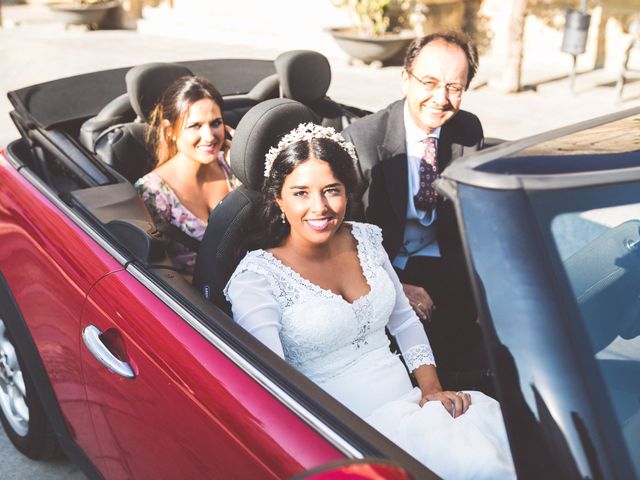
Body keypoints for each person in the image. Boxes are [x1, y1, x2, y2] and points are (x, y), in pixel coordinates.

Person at [224, 123, 515, 479]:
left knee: (498, 446)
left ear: (348, 192)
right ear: (278, 199)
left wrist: (432, 390)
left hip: (413, 409)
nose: (320, 207)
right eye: (301, 193)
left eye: (332, 190)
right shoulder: (257, 277)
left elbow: (405, 321)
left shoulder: (364, 239)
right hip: (341, 438)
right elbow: (270, 380)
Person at [342, 32, 487, 390]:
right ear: (405, 77)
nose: (441, 99)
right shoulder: (363, 141)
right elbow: (345, 236)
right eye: (430, 82)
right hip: (384, 265)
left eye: (455, 87)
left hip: (446, 261)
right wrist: (395, 286)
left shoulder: (468, 129)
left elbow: (476, 214)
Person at [135, 75, 236, 276]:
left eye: (215, 123)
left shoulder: (231, 168)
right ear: (170, 130)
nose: (209, 136)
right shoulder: (153, 193)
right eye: (195, 126)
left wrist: (242, 163)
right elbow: (160, 274)